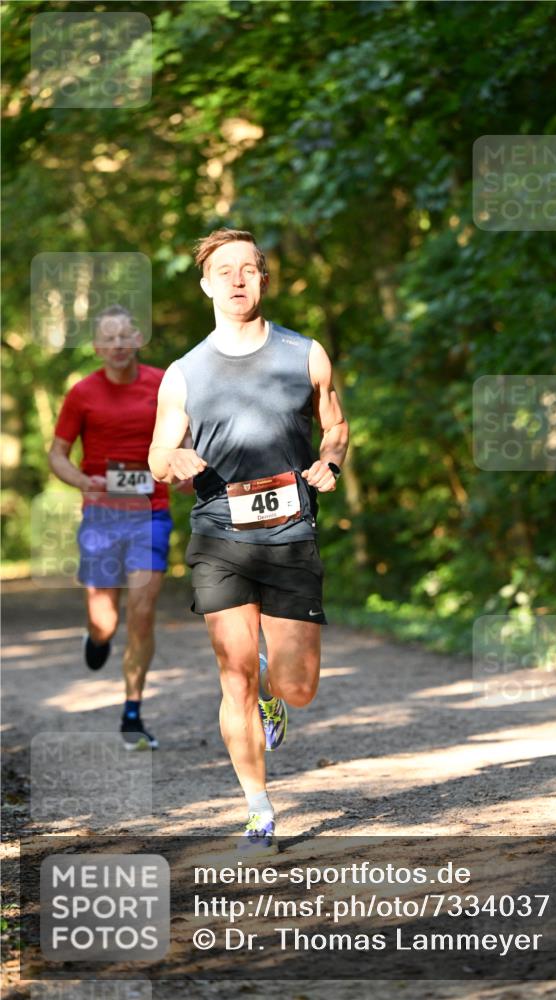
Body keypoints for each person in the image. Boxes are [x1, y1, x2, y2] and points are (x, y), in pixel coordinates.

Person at [148, 228, 349, 852]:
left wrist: (331, 462)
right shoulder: (183, 373)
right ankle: (258, 811)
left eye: (249, 270)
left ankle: (273, 691)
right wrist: (173, 459)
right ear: (207, 284)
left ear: (263, 279)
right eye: (225, 271)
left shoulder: (305, 354)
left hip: (290, 534)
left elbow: (335, 424)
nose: (238, 280)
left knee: (299, 686)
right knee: (231, 672)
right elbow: (157, 452)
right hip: (219, 533)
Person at [48, 305, 176, 750]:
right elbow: (57, 455)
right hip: (102, 515)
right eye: (109, 338)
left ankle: (133, 713)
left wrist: (180, 466)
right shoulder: (82, 393)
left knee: (142, 613)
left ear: (138, 338)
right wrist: (84, 480)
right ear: (98, 346)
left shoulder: (162, 384)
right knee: (106, 621)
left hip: (151, 512)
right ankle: (97, 634)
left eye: (126, 336)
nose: (118, 345)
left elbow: (187, 438)